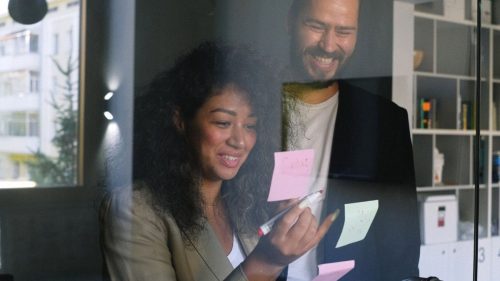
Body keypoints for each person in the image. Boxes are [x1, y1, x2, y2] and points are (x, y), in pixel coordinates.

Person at [99, 42, 337, 281]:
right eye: (223, 123)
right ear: (180, 120)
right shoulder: (133, 211)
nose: (240, 141)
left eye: (251, 126)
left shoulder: (245, 205)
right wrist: (266, 262)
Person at [281, 0, 420, 280]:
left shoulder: (386, 123)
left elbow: (399, 247)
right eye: (316, 26)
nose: (329, 45)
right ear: (291, 22)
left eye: (344, 31)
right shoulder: (247, 113)